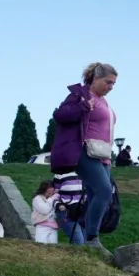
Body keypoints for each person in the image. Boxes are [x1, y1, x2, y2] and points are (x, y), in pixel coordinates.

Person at [49, 62, 118, 253]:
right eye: (108, 82)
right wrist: (82, 107)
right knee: (104, 191)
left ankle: (89, 238)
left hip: (103, 154)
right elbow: (60, 115)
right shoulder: (81, 95)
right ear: (95, 78)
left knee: (96, 194)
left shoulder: (104, 101)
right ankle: (92, 238)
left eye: (113, 84)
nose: (111, 87)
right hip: (84, 150)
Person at [53, 171, 85, 244]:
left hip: (83, 212)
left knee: (86, 243)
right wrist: (59, 205)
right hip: (66, 212)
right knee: (78, 241)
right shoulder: (59, 174)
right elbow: (54, 194)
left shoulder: (84, 172)